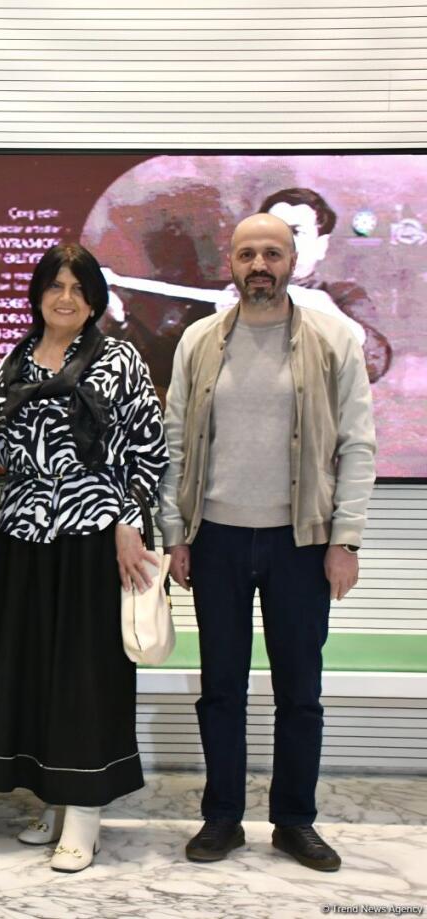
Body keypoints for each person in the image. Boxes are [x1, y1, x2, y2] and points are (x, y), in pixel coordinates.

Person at [160, 213, 376, 872]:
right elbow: (175, 442)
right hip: (217, 540)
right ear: (230, 261)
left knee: (299, 692)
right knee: (221, 688)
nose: (260, 265)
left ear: (293, 261)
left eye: (273, 253)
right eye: (248, 253)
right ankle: (222, 817)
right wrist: (175, 534)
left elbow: (358, 443)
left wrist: (346, 539)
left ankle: (294, 821)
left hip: (301, 543)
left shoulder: (333, 338)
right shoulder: (199, 341)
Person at [0, 242, 167, 873]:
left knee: (85, 675)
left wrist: (129, 522)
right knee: (32, 670)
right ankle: (52, 800)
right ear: (38, 294)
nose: (65, 298)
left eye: (78, 288)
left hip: (94, 534)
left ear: (94, 300)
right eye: (55, 286)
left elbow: (148, 451)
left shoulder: (120, 359)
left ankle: (84, 813)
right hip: (23, 534)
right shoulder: (14, 362)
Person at [258, 187, 392, 382]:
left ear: (321, 245)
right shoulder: (226, 295)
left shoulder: (342, 297)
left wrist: (325, 311)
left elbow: (375, 362)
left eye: (296, 232)